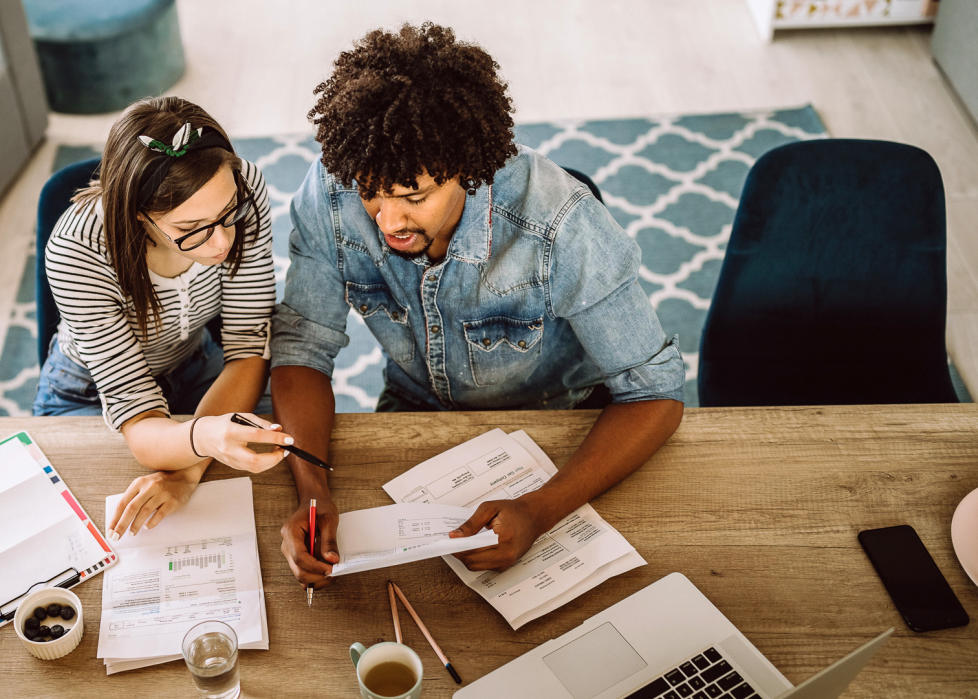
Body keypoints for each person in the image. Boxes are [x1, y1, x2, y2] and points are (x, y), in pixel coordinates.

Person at [270, 24, 686, 588]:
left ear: (468, 170)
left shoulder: (559, 221)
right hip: (411, 408)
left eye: (414, 197)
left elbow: (655, 393)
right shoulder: (330, 192)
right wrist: (314, 492)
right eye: (372, 191)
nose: (388, 221)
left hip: (555, 423)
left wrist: (541, 510)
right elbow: (302, 349)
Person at [33, 96, 293, 539]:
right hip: (88, 389)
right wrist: (205, 439)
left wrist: (186, 472)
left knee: (280, 480)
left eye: (228, 214)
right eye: (192, 230)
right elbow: (138, 417)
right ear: (138, 215)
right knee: (72, 528)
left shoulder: (243, 183)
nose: (222, 242)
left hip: (197, 362)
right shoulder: (76, 251)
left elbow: (249, 346)